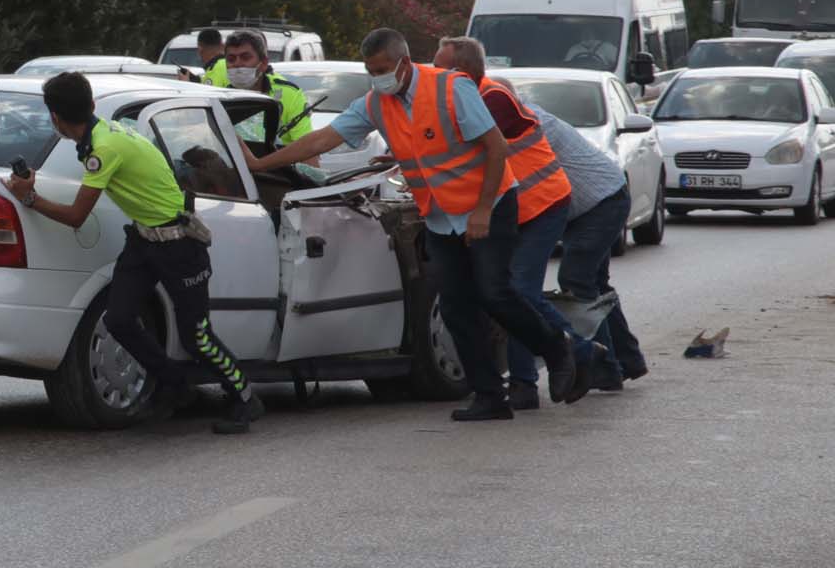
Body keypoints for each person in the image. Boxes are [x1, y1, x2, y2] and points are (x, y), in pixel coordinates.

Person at [239, 28, 578, 422]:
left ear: (403, 62)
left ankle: (559, 350)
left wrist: (483, 211)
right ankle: (489, 395)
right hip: (439, 216)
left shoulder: (452, 87)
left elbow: (496, 148)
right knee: (454, 307)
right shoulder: (377, 102)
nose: (376, 77)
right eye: (370, 70)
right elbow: (322, 141)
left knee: (495, 293)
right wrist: (262, 164)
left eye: (382, 69)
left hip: (489, 205)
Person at [2, 72, 265, 434]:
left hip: (178, 244)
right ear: (92, 106)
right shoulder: (101, 134)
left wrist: (28, 198)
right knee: (119, 319)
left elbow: (77, 217)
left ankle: (245, 396)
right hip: (143, 240)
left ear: (56, 119)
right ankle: (175, 385)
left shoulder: (103, 149)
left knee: (197, 335)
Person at [434, 36, 592, 408]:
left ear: (461, 73)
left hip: (540, 204)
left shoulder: (492, 97)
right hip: (512, 209)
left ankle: (579, 354)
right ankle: (527, 381)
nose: (432, 76)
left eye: (439, 70)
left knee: (518, 292)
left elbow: (460, 146)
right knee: (505, 294)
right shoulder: (458, 100)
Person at [525, 103, 649, 393]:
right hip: (599, 199)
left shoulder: (526, 125)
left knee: (576, 281)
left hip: (600, 203)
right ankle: (629, 360)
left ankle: (605, 368)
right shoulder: (522, 114)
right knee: (595, 284)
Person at [224, 30, 313, 148]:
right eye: (231, 59)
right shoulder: (220, 99)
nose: (237, 64)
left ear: (264, 63)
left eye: (245, 57)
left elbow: (307, 149)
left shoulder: (289, 94)